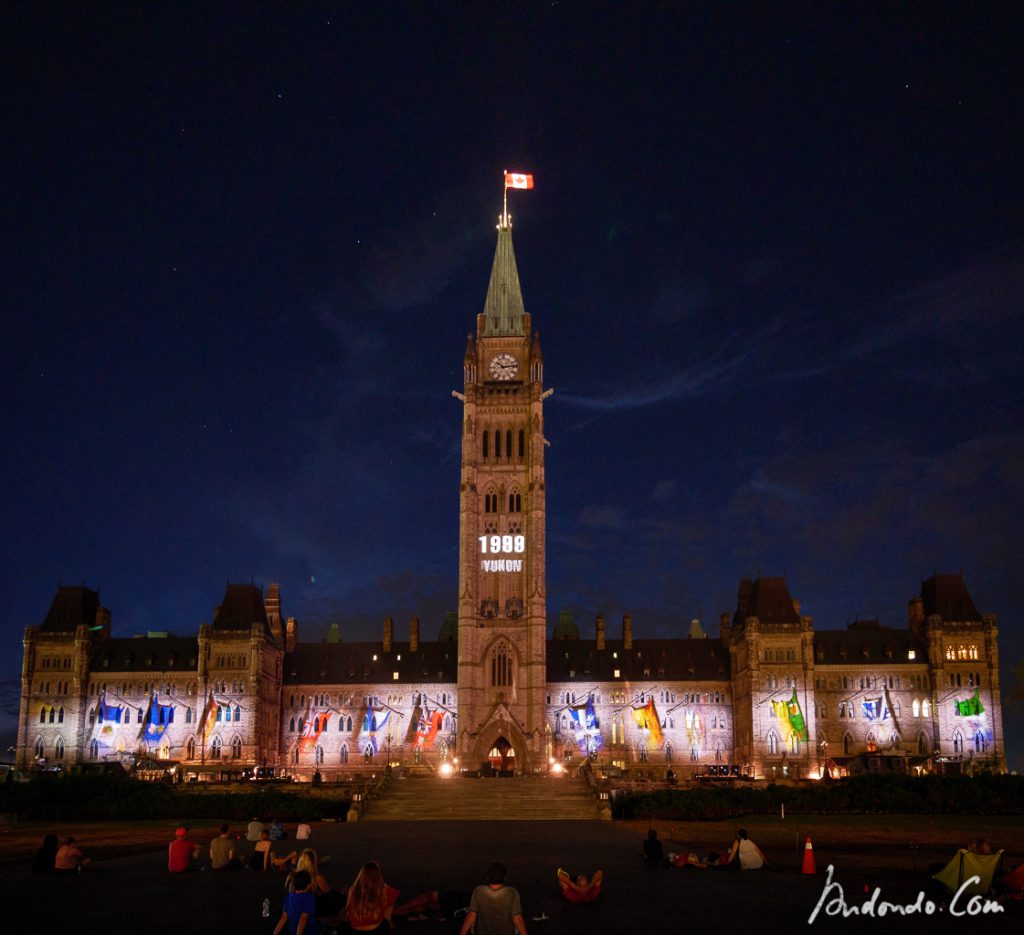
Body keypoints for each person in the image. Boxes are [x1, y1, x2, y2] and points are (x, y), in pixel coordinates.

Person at [458, 862, 528, 935]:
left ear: (488, 878)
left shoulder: (479, 891)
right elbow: (517, 919)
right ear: (505, 878)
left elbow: (471, 916)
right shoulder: (511, 893)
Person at [286, 849, 344, 919]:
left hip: (294, 906)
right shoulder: (315, 878)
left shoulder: (292, 876)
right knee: (337, 897)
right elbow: (328, 892)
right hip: (313, 908)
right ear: (312, 862)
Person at [345, 861, 399, 932]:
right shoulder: (383, 891)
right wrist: (385, 886)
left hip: (355, 929)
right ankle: (388, 923)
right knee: (390, 905)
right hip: (376, 929)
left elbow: (347, 911)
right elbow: (394, 894)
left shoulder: (352, 890)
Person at [273, 869, 321, 935]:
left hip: (292, 931)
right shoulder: (309, 898)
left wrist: (275, 933)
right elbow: (303, 919)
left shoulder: (288, 897)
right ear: (308, 885)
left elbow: (283, 918)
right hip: (308, 931)